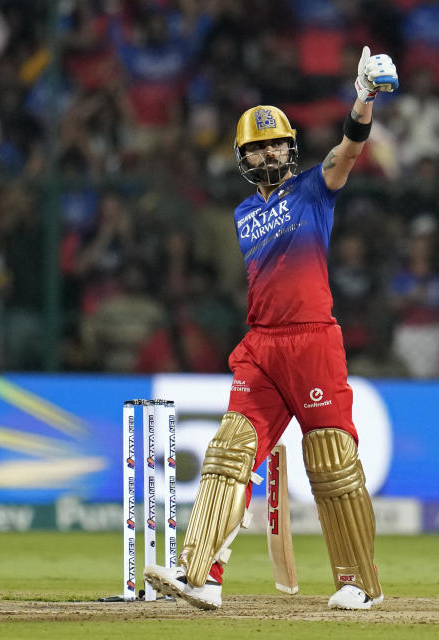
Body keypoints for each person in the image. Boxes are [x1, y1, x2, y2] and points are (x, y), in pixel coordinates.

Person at [145, 46, 398, 611]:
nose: (270, 153)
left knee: (332, 457)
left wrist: (364, 97)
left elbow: (349, 149)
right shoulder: (240, 214)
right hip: (260, 344)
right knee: (229, 452)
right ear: (242, 156)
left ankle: (361, 583)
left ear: (291, 147)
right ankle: (201, 577)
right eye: (258, 147)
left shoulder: (314, 189)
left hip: (312, 338)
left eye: (278, 143)